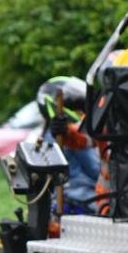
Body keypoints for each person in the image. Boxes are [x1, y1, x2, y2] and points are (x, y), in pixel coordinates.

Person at [36, 76, 99, 214]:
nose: (81, 110)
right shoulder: (64, 135)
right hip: (83, 200)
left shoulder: (50, 134)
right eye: (76, 106)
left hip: (67, 198)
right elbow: (96, 170)